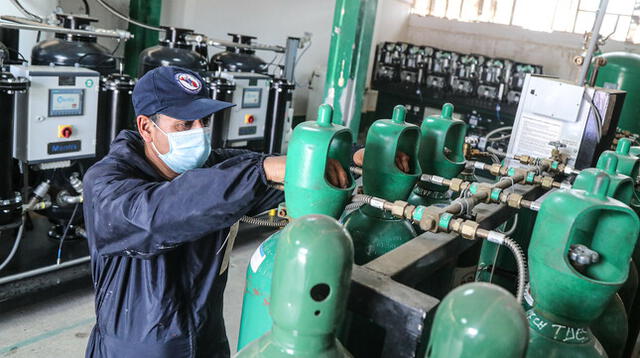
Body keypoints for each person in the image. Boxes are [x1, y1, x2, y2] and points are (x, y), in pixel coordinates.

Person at [82, 66, 361, 358]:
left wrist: (350, 155)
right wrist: (259, 173)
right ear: (146, 128)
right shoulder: (106, 183)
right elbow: (156, 215)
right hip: (138, 348)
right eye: (184, 125)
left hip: (207, 338)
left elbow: (274, 169)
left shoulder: (215, 169)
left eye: (204, 121)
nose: (199, 132)